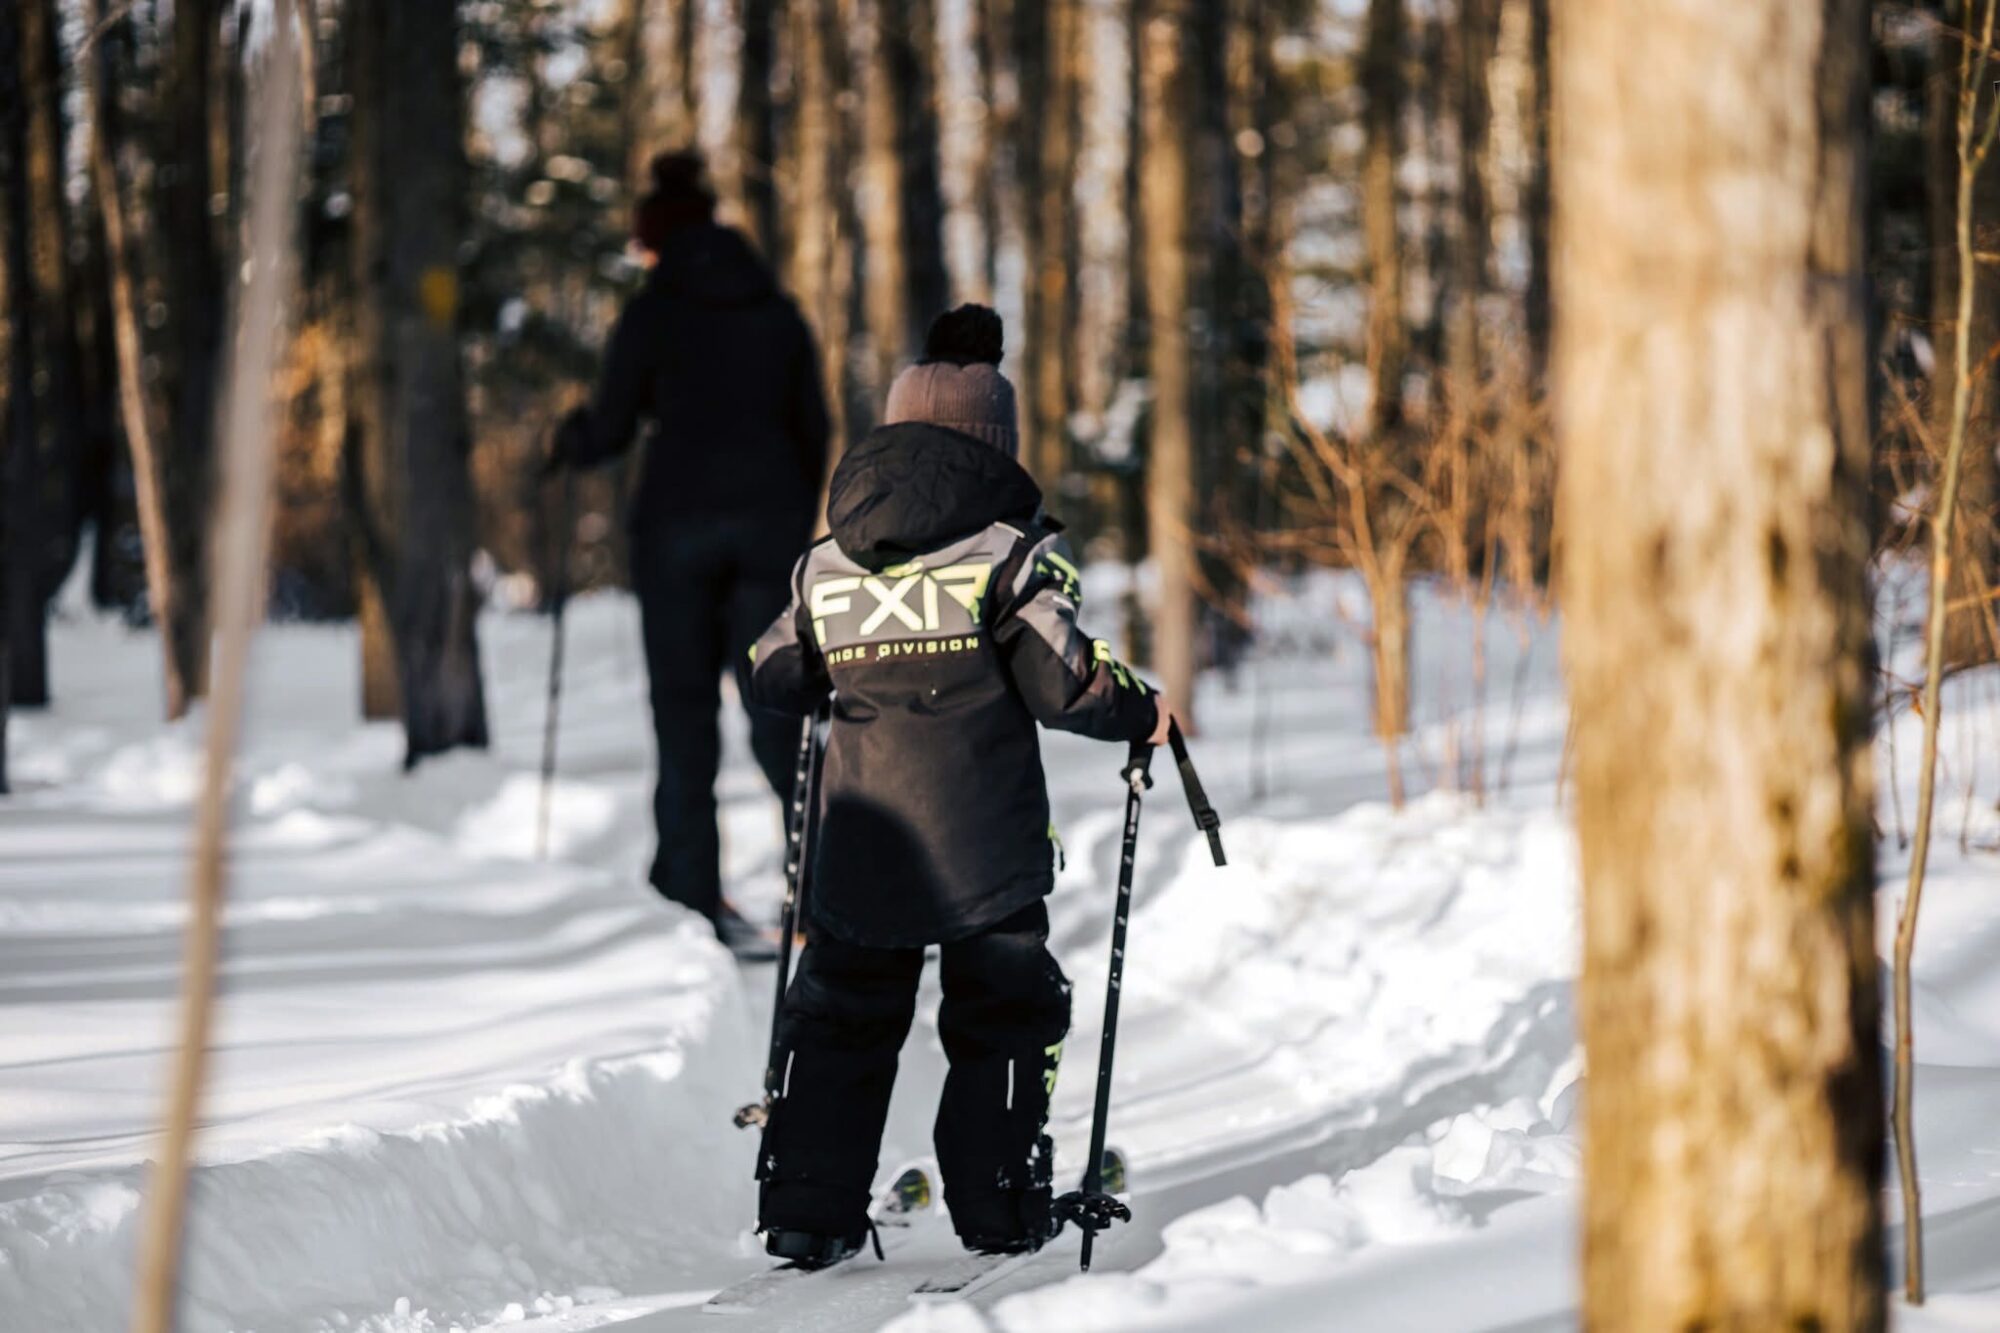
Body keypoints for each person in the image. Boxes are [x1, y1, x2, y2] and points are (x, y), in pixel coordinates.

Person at [742, 304, 1175, 1267]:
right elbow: (1069, 685)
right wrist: (1147, 712)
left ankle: (808, 1211)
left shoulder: (825, 563)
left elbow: (770, 673)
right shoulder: (1009, 560)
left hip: (863, 844)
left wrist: (842, 666)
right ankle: (998, 1205)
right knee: (1002, 1014)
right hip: (987, 850)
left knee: (844, 1014)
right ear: (994, 448)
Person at [548, 152, 830, 953]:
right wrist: (786, 514)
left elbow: (607, 429)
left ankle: (691, 898)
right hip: (767, 534)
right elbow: (813, 426)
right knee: (779, 708)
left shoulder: (653, 311)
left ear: (654, 239)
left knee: (683, 716)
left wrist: (572, 438)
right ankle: (816, 899)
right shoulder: (776, 311)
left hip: (672, 533)